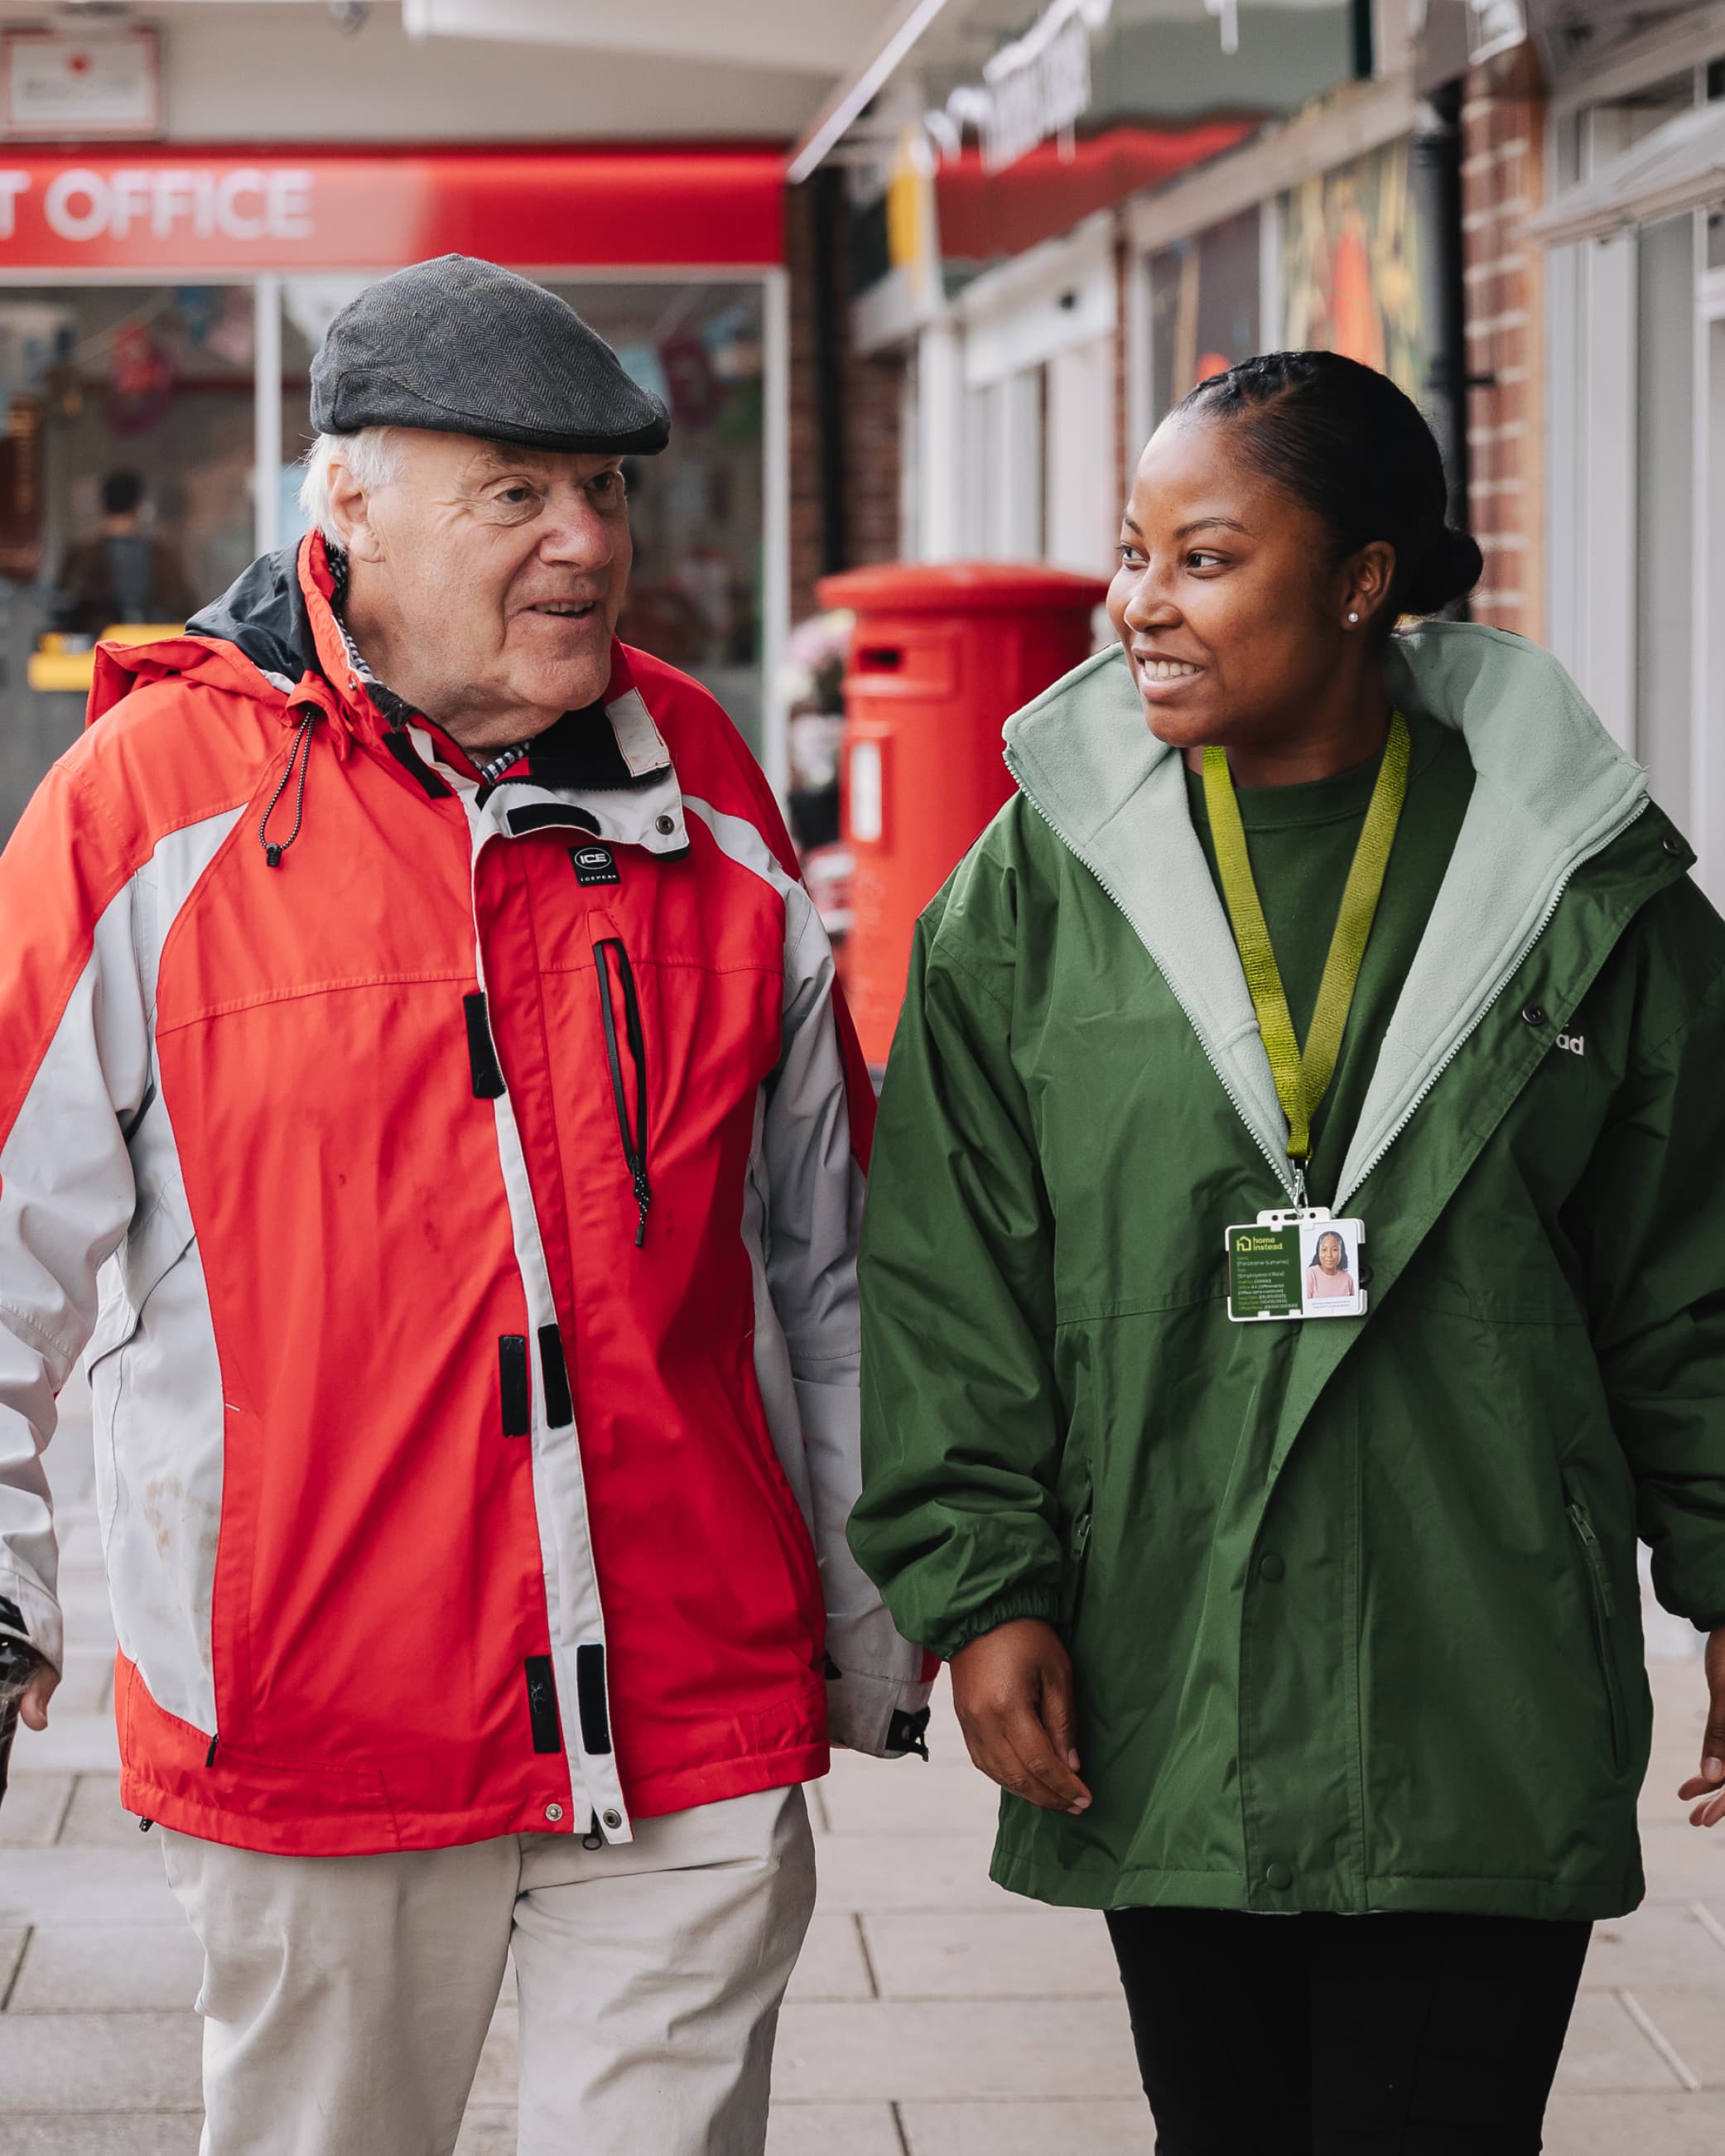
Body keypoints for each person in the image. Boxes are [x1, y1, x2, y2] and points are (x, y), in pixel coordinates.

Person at [0, 255, 930, 2156]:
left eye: (605, 492)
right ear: (345, 506)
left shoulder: (709, 789)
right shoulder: (142, 806)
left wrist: (881, 1610)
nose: (585, 540)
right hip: (314, 1723)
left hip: (691, 1712)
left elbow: (821, 1245)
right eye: (515, 492)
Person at [850, 349, 1725, 2153]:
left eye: (1206, 557)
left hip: (1483, 1663)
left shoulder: (1588, 893)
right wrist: (982, 1580)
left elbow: (1690, 1279)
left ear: (1362, 583)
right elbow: (954, 1277)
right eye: (1134, 551)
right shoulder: (1035, 891)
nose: (1141, 606)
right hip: (1171, 1668)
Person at [52, 469, 191, 633]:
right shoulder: (164, 558)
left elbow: (62, 613)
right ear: (140, 505)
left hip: (95, 653)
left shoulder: (82, 558)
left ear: (102, 503)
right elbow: (182, 610)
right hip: (153, 649)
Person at [1304, 1228, 1353, 1302]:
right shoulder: (1311, 1274)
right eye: (1324, 1250)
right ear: (1318, 1252)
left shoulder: (1348, 1278)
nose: (1329, 1255)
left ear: (1341, 1253)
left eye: (1334, 1250)